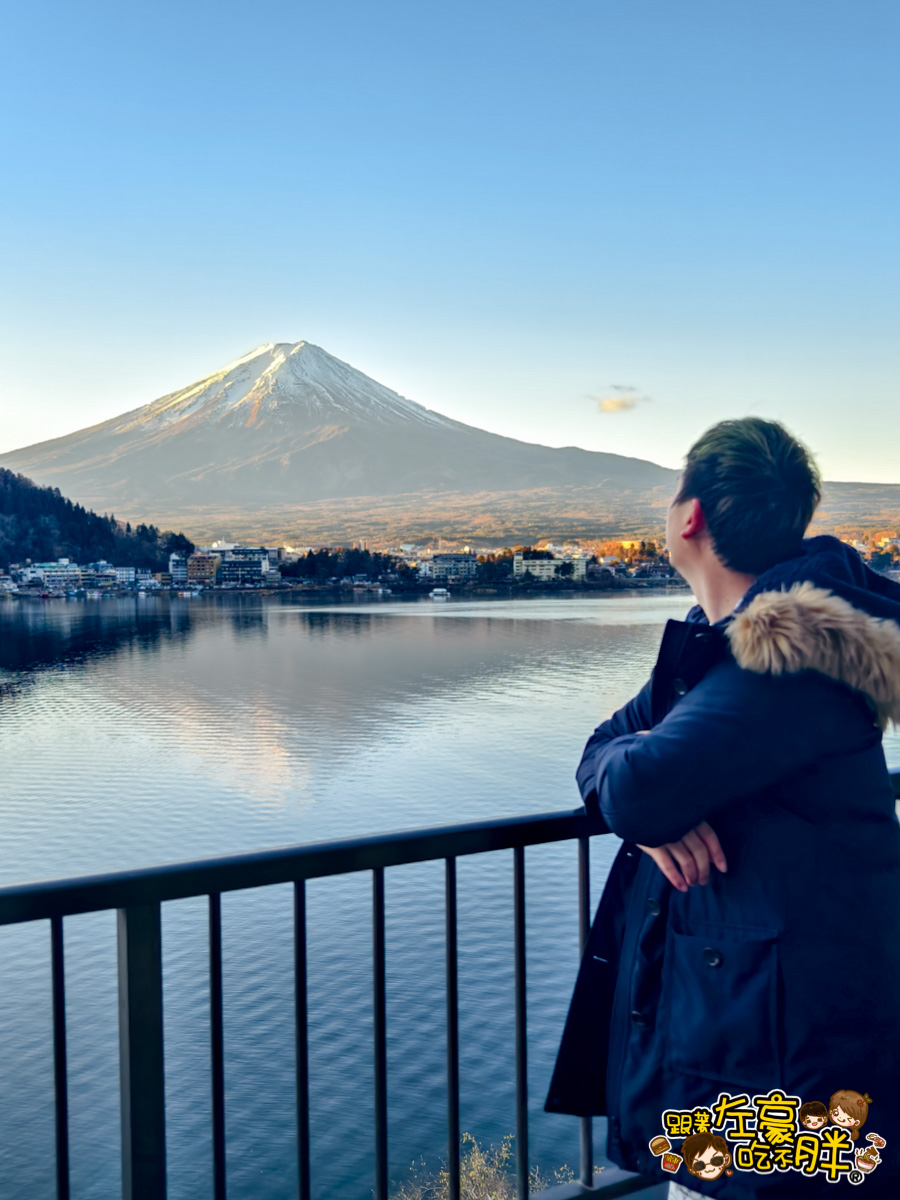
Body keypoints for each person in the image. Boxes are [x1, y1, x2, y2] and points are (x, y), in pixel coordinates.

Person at [544, 418, 900, 1198]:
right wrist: (648, 794)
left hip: (774, 1050)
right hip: (755, 1018)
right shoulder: (722, 643)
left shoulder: (783, 657)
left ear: (689, 517)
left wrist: (650, 796)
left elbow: (636, 786)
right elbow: (605, 747)